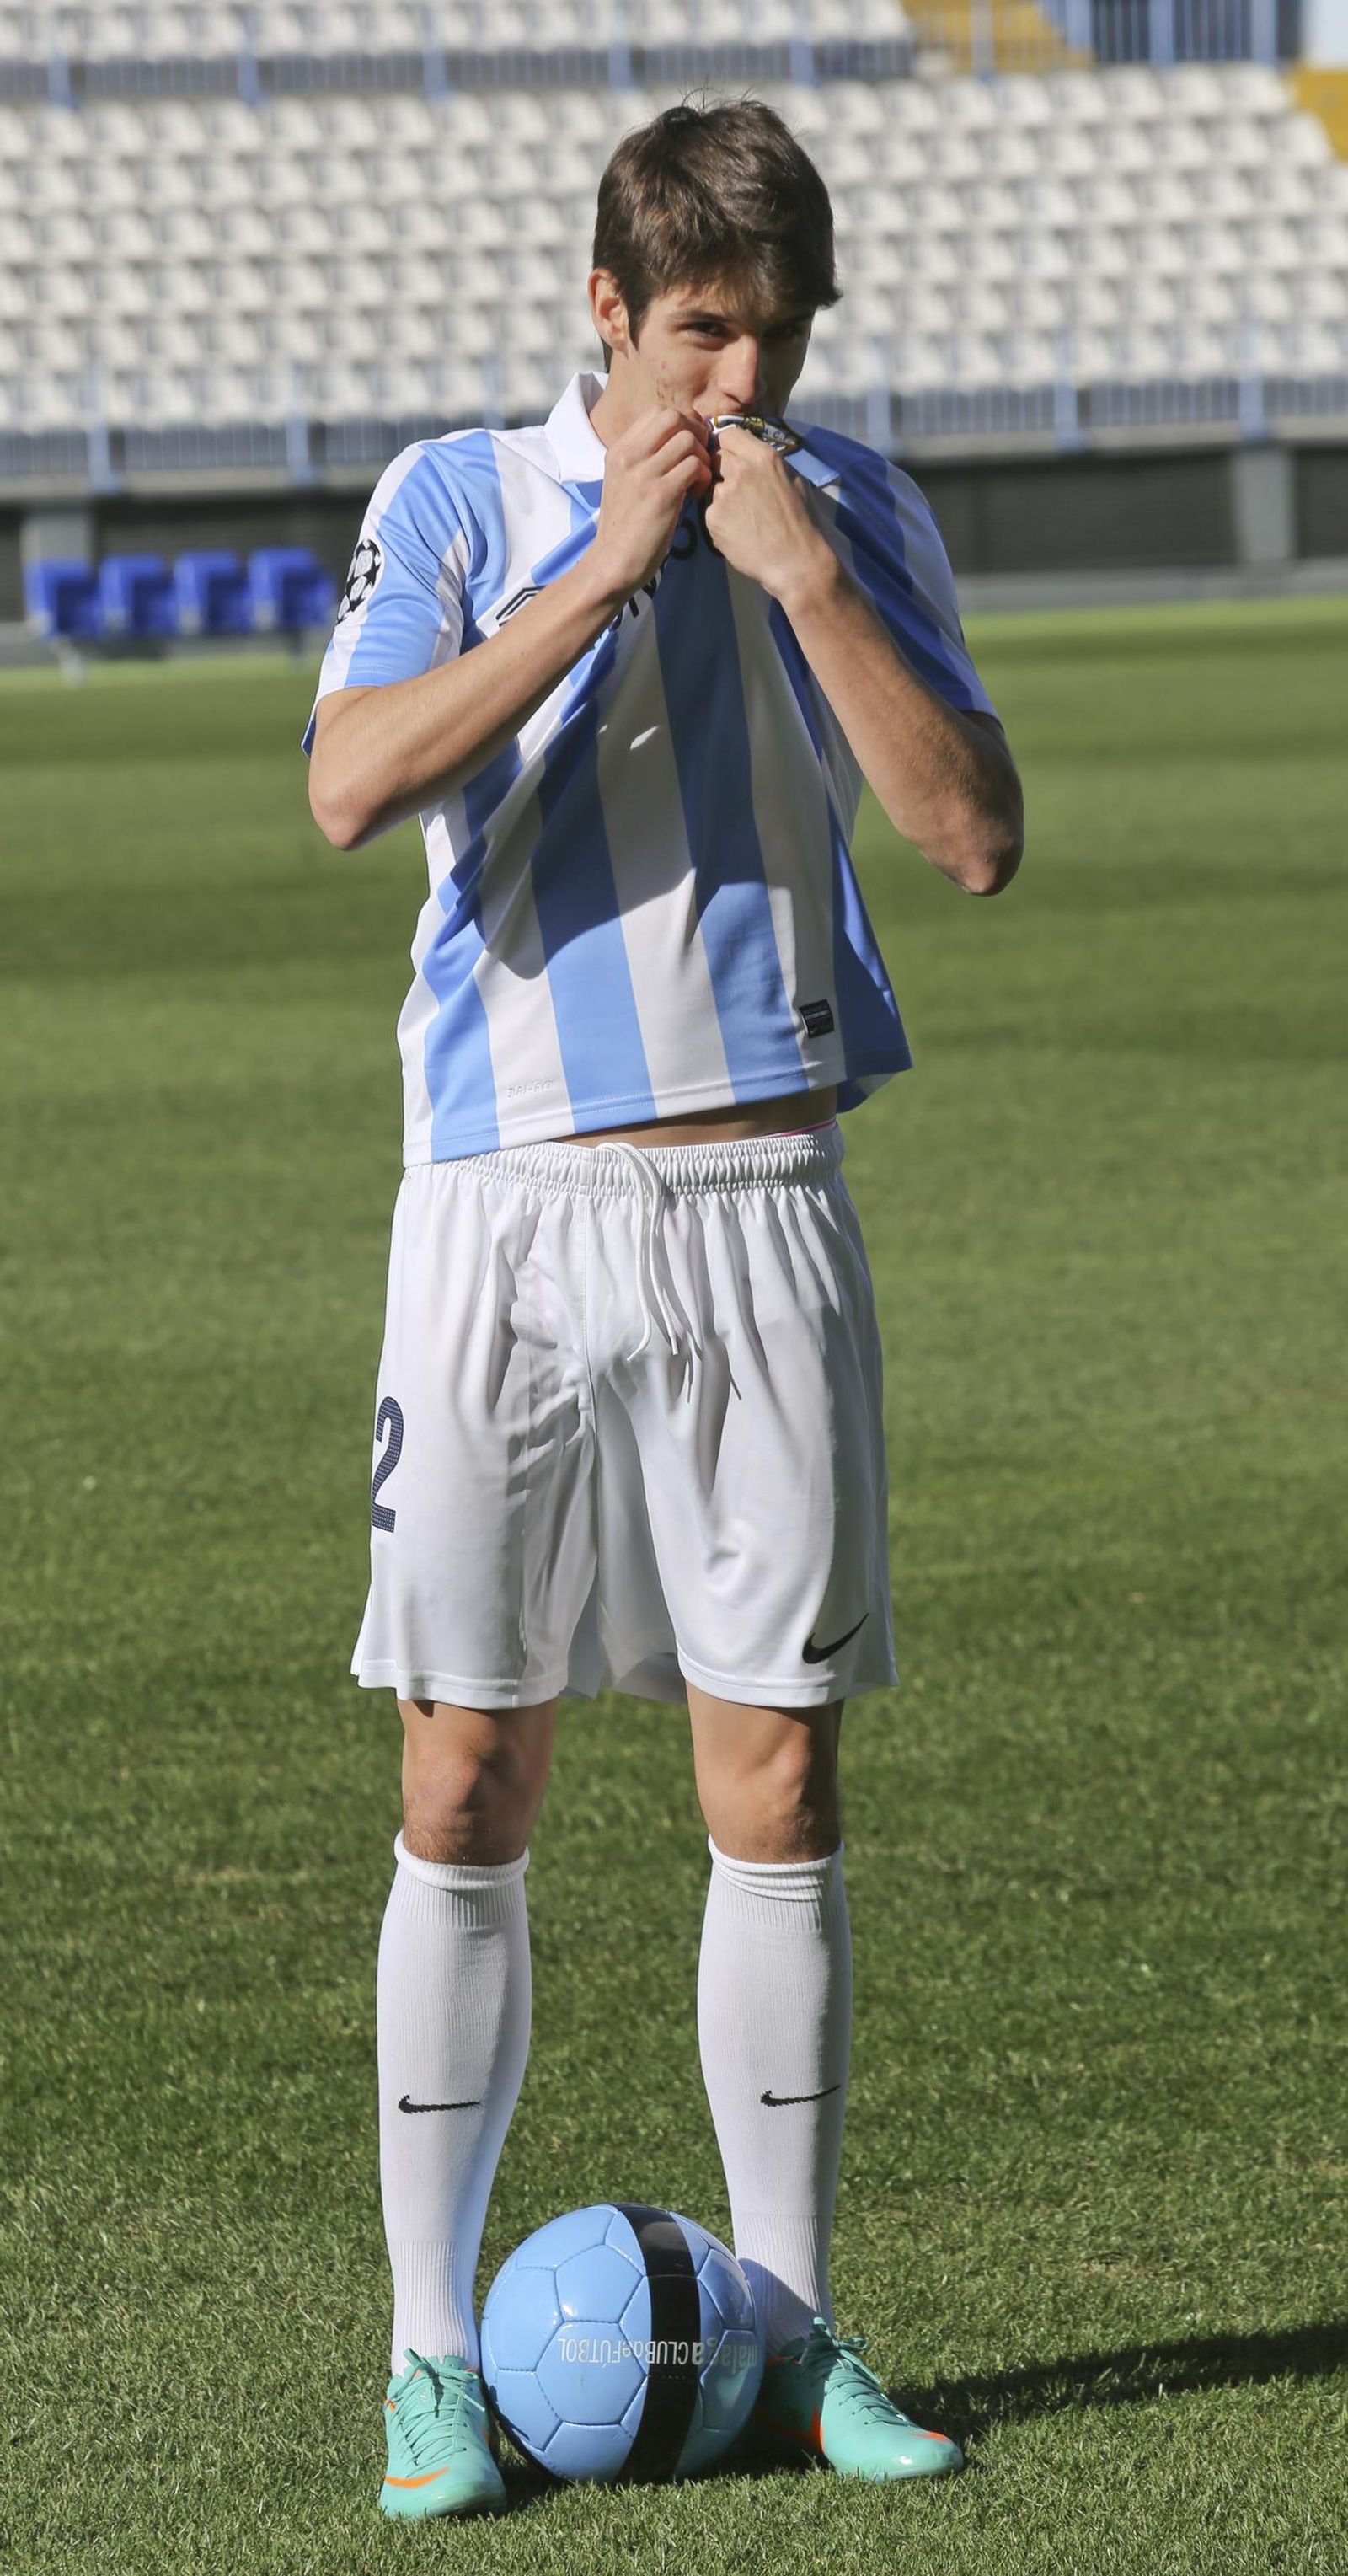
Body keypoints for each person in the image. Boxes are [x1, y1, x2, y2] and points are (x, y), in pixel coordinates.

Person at [306, 94, 1023, 2520]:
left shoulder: (859, 511)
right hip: (502, 1222)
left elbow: (973, 830)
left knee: (782, 1780)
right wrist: (602, 573)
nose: (740, 387)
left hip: (762, 1203)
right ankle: (428, 2356)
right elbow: (344, 783)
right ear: (610, 314)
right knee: (464, 1774)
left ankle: (800, 2332)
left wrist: (804, 578)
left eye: (778, 340)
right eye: (705, 335)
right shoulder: (452, 498)